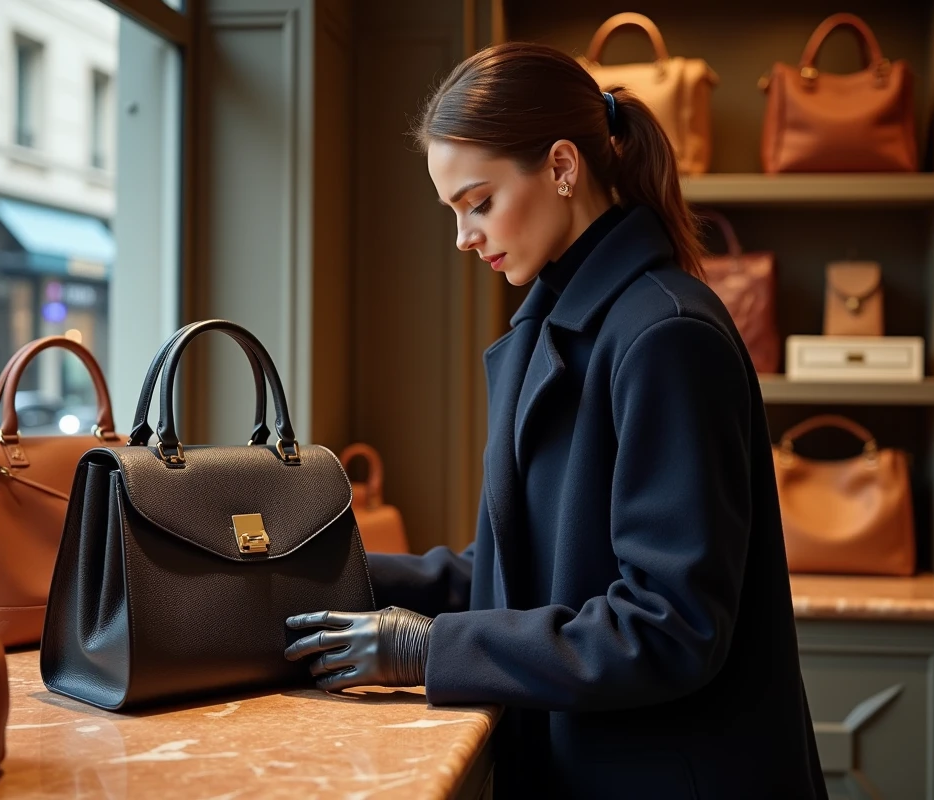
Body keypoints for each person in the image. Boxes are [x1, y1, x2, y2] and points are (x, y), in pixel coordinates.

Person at [284, 41, 827, 799]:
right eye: (453, 211)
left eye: (479, 202)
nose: (463, 237)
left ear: (563, 168)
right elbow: (520, 569)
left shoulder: (666, 334)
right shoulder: (556, 321)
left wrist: (429, 648)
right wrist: (319, 580)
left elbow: (670, 627)